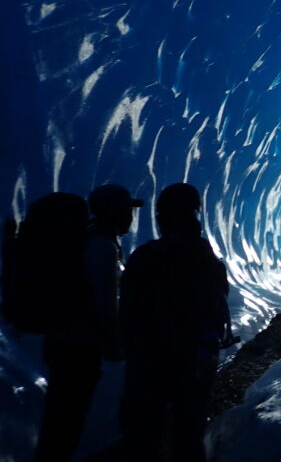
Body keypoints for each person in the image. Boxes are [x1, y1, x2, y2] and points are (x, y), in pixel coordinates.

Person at [120, 183, 235, 462]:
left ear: (161, 216)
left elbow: (126, 307)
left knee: (143, 431)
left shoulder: (144, 256)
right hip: (194, 355)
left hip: (147, 356)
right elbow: (216, 302)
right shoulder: (203, 255)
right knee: (189, 430)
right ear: (195, 213)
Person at [35, 184, 143, 462]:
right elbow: (104, 304)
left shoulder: (89, 241)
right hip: (78, 347)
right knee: (65, 425)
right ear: (114, 212)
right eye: (127, 210)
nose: (131, 216)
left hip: (62, 342)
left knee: (59, 422)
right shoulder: (102, 248)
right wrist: (115, 344)